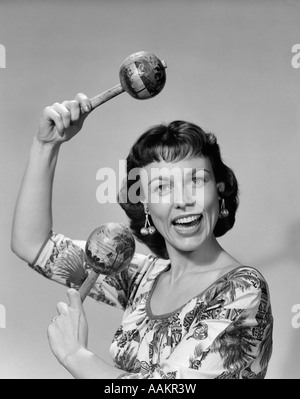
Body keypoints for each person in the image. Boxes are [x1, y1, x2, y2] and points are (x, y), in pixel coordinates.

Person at [11, 93, 273, 379]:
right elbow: (33, 245)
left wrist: (75, 356)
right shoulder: (143, 277)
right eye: (162, 187)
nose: (182, 200)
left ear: (219, 190)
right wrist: (46, 145)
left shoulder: (242, 288)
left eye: (196, 180)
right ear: (145, 205)